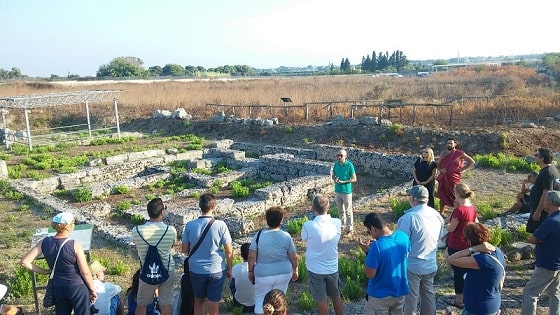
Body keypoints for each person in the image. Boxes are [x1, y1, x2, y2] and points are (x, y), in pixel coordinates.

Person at [19, 212, 96, 315]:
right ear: (69, 226)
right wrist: (92, 289)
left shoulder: (44, 242)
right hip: (77, 286)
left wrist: (45, 271)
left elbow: (24, 262)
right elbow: (85, 272)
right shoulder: (74, 244)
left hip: (58, 286)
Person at [181, 193, 233, 315]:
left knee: (198, 300)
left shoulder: (190, 225)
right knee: (213, 302)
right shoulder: (221, 225)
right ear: (214, 206)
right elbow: (229, 250)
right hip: (216, 269)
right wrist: (230, 268)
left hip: (196, 269)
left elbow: (184, 249)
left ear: (200, 206)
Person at [397, 185, 444, 315]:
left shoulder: (409, 218)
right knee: (428, 294)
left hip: (413, 264)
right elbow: (440, 239)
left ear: (412, 198)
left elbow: (401, 244)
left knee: (410, 298)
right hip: (430, 263)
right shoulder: (436, 215)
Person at [248, 206, 299, 315]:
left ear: (267, 220)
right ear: (281, 220)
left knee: (260, 300)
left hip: (263, 273)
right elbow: (293, 256)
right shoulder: (286, 236)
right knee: (279, 300)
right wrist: (295, 269)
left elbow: (251, 256)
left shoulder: (258, 236)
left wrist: (250, 271)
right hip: (284, 272)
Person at [447, 222, 506, 315]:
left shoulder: (481, 260)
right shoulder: (497, 251)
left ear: (469, 240)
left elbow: (451, 259)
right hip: (492, 302)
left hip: (479, 308)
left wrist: (473, 249)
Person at [131, 198, 176, 315]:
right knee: (166, 304)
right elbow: (171, 245)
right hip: (167, 269)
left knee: (141, 305)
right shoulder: (170, 230)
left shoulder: (136, 231)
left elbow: (136, 244)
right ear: (162, 212)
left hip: (147, 271)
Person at [359, 212, 410, 315]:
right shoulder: (403, 237)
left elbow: (370, 274)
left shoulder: (376, 247)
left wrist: (369, 253)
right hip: (399, 292)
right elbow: (401, 257)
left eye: (369, 231)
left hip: (379, 296)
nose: (371, 235)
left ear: (373, 228)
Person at [301, 195, 344, 315]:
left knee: (321, 300)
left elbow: (304, 239)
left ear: (312, 208)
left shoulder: (308, 225)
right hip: (332, 267)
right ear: (328, 206)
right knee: (336, 296)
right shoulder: (337, 222)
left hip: (315, 268)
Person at [522, 190, 560, 315]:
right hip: (558, 263)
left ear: (550, 202)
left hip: (547, 264)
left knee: (530, 293)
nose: (543, 202)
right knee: (555, 293)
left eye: (544, 200)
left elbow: (533, 239)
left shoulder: (551, 222)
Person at [445, 183, 478, 308]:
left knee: (458, 273)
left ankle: (459, 299)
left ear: (457, 194)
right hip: (467, 243)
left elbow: (452, 228)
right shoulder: (472, 208)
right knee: (466, 272)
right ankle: (466, 295)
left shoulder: (459, 210)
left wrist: (446, 227)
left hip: (456, 243)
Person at [436, 138, 475, 215]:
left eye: (451, 143)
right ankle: (441, 212)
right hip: (444, 177)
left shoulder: (459, 153)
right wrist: (441, 170)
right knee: (443, 194)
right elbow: (438, 165)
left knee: (455, 194)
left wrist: (461, 170)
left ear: (455, 144)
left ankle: (457, 212)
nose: (449, 145)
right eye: (448, 143)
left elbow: (471, 161)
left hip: (454, 178)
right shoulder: (443, 154)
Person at [528, 148, 560, 231]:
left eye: (536, 155)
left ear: (542, 159)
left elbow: (546, 193)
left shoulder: (547, 172)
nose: (534, 157)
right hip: (547, 209)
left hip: (544, 211)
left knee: (539, 236)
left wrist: (538, 211)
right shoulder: (553, 169)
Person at [330, 148, 357, 236]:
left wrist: (344, 182)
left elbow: (354, 179)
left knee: (348, 211)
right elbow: (333, 175)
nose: (339, 157)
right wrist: (335, 179)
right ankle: (342, 226)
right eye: (338, 155)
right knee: (340, 210)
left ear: (345, 156)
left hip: (346, 191)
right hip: (337, 190)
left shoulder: (349, 165)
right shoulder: (336, 164)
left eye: (341, 155)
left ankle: (350, 229)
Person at [229, 243, 255, 313]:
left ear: (241, 255)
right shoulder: (258, 267)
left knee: (232, 284)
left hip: (240, 301)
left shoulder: (235, 268)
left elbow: (231, 279)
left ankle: (238, 306)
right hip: (256, 302)